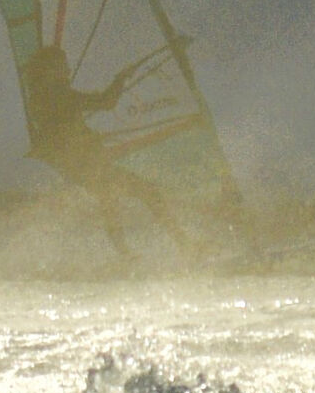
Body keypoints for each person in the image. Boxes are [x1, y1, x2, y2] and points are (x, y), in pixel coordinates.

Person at [19, 43, 194, 259]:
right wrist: (120, 78)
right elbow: (106, 102)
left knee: (110, 202)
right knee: (146, 193)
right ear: (49, 70)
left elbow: (61, 130)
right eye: (63, 66)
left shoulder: (40, 97)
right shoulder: (57, 95)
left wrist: (85, 137)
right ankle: (184, 245)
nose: (68, 70)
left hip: (81, 166)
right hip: (86, 166)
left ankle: (127, 255)